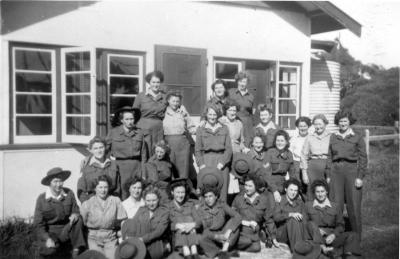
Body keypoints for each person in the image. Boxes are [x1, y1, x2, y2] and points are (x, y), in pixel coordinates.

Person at [327, 110, 367, 238]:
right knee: (335, 204)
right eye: (340, 121)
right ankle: (336, 236)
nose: (343, 124)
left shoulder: (357, 137)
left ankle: (356, 238)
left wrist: (360, 177)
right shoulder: (333, 137)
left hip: (351, 171)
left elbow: (363, 158)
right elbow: (329, 157)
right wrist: (328, 175)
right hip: (335, 171)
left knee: (353, 205)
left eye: (345, 121)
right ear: (337, 123)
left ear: (349, 122)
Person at [33, 167, 86, 258]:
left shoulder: (69, 193)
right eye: (55, 181)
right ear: (49, 183)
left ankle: (76, 251)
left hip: (66, 229)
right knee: (49, 250)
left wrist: (75, 214)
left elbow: (76, 210)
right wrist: (47, 238)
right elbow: (38, 224)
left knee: (78, 219)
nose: (58, 184)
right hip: (51, 232)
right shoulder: (42, 199)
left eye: (61, 181)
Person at [305, 180, 362, 258]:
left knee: (352, 235)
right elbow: (305, 224)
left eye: (322, 191)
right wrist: (316, 230)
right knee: (311, 224)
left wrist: (333, 235)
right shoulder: (308, 206)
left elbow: (341, 225)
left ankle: (350, 256)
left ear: (326, 192)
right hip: (315, 239)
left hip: (330, 238)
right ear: (314, 193)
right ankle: (324, 249)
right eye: (317, 192)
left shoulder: (335, 206)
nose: (320, 194)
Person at [80, 175, 127, 259]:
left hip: (110, 238)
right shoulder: (87, 204)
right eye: (100, 187)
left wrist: (122, 234)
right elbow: (83, 223)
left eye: (106, 187)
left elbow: (123, 220)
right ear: (95, 188)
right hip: (93, 238)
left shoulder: (116, 201)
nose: (103, 190)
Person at [106, 107, 148, 200]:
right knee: (121, 194)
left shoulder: (139, 133)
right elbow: (104, 150)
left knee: (136, 193)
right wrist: (89, 159)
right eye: (127, 119)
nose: (130, 121)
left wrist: (144, 173)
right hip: (120, 168)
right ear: (122, 120)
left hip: (136, 167)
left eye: (132, 119)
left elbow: (144, 156)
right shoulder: (114, 132)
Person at [195, 103, 232, 202]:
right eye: (210, 114)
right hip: (206, 161)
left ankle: (221, 215)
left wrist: (222, 163)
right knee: (206, 191)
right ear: (206, 115)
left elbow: (229, 149)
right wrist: (201, 165)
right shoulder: (200, 129)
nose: (212, 117)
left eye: (214, 114)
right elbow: (197, 150)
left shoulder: (224, 128)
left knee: (222, 192)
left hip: (221, 161)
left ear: (218, 115)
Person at [231, 174, 278, 252]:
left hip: (254, 232)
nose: (247, 188)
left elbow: (269, 220)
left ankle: (235, 247)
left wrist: (273, 238)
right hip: (240, 230)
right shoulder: (238, 198)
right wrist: (245, 223)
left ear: (256, 187)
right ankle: (231, 244)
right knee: (246, 241)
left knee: (256, 248)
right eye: (246, 185)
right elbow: (232, 216)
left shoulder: (264, 200)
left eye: (250, 186)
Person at [122, 185, 170, 259]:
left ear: (158, 199)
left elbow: (158, 231)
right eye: (148, 201)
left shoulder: (164, 212)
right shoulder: (141, 210)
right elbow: (133, 224)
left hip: (156, 243)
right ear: (144, 200)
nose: (151, 203)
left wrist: (142, 239)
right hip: (140, 243)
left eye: (154, 200)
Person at [196, 185, 242, 259]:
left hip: (224, 235)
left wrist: (229, 231)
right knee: (200, 237)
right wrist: (217, 237)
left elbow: (238, 216)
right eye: (206, 197)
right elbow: (203, 230)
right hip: (211, 236)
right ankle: (215, 252)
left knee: (234, 222)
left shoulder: (222, 205)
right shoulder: (200, 209)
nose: (208, 199)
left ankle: (224, 251)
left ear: (216, 196)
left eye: (210, 196)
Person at [133, 71, 167, 154]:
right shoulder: (141, 96)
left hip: (159, 129)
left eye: (158, 82)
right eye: (153, 82)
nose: (156, 84)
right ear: (149, 82)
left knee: (158, 151)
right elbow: (134, 113)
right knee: (145, 152)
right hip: (144, 128)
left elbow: (174, 107)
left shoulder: (164, 97)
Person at [163, 91, 196, 179]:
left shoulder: (183, 112)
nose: (175, 103)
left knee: (183, 168)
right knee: (170, 166)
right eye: (173, 101)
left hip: (182, 143)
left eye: (177, 101)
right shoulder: (163, 112)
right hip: (168, 142)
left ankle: (183, 188)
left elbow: (191, 126)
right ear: (168, 101)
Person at [78, 136, 120, 203]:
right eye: (95, 148)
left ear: (105, 148)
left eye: (101, 147)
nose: (99, 151)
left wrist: (115, 202)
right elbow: (80, 190)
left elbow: (118, 188)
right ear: (91, 150)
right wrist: (88, 204)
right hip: (93, 202)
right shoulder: (86, 167)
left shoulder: (113, 165)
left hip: (111, 202)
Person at [166, 178, 200, 259]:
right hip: (178, 241)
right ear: (172, 192)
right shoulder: (168, 206)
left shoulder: (190, 205)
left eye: (182, 192)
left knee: (189, 220)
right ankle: (189, 250)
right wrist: (176, 226)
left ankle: (192, 250)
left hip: (192, 237)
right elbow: (166, 225)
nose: (180, 195)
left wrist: (192, 225)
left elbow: (199, 221)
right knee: (182, 221)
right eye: (178, 192)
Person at [300, 114, 331, 201]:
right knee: (312, 190)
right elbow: (304, 155)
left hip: (327, 166)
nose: (318, 127)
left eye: (320, 124)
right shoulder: (309, 138)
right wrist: (304, 173)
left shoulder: (331, 137)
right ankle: (312, 212)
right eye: (315, 124)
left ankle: (326, 212)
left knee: (327, 189)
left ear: (325, 124)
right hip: (313, 167)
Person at [273, 178, 307, 252]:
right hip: (282, 233)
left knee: (308, 224)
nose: (293, 193)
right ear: (285, 189)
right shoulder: (279, 200)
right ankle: (297, 253)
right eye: (291, 190)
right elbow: (276, 217)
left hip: (298, 232)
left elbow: (305, 220)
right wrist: (290, 214)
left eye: (295, 190)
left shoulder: (300, 202)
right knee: (293, 220)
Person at [265, 130, 296, 203]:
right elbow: (266, 174)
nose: (279, 143)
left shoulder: (289, 154)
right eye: (277, 140)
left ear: (286, 142)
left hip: (283, 184)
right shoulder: (270, 152)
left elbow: (293, 173)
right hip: (270, 185)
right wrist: (274, 191)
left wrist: (293, 188)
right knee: (272, 205)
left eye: (282, 140)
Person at [228, 72, 255, 146]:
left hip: (247, 124)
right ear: (237, 81)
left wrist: (253, 126)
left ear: (247, 83)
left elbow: (252, 113)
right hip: (234, 122)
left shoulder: (251, 96)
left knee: (247, 143)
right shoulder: (231, 93)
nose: (242, 84)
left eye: (244, 82)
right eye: (240, 81)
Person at [289, 116, 312, 185]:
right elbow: (290, 152)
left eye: (305, 126)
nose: (303, 128)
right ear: (297, 127)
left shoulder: (312, 138)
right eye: (300, 126)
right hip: (296, 163)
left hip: (309, 163)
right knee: (297, 184)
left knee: (308, 184)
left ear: (308, 126)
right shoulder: (294, 138)